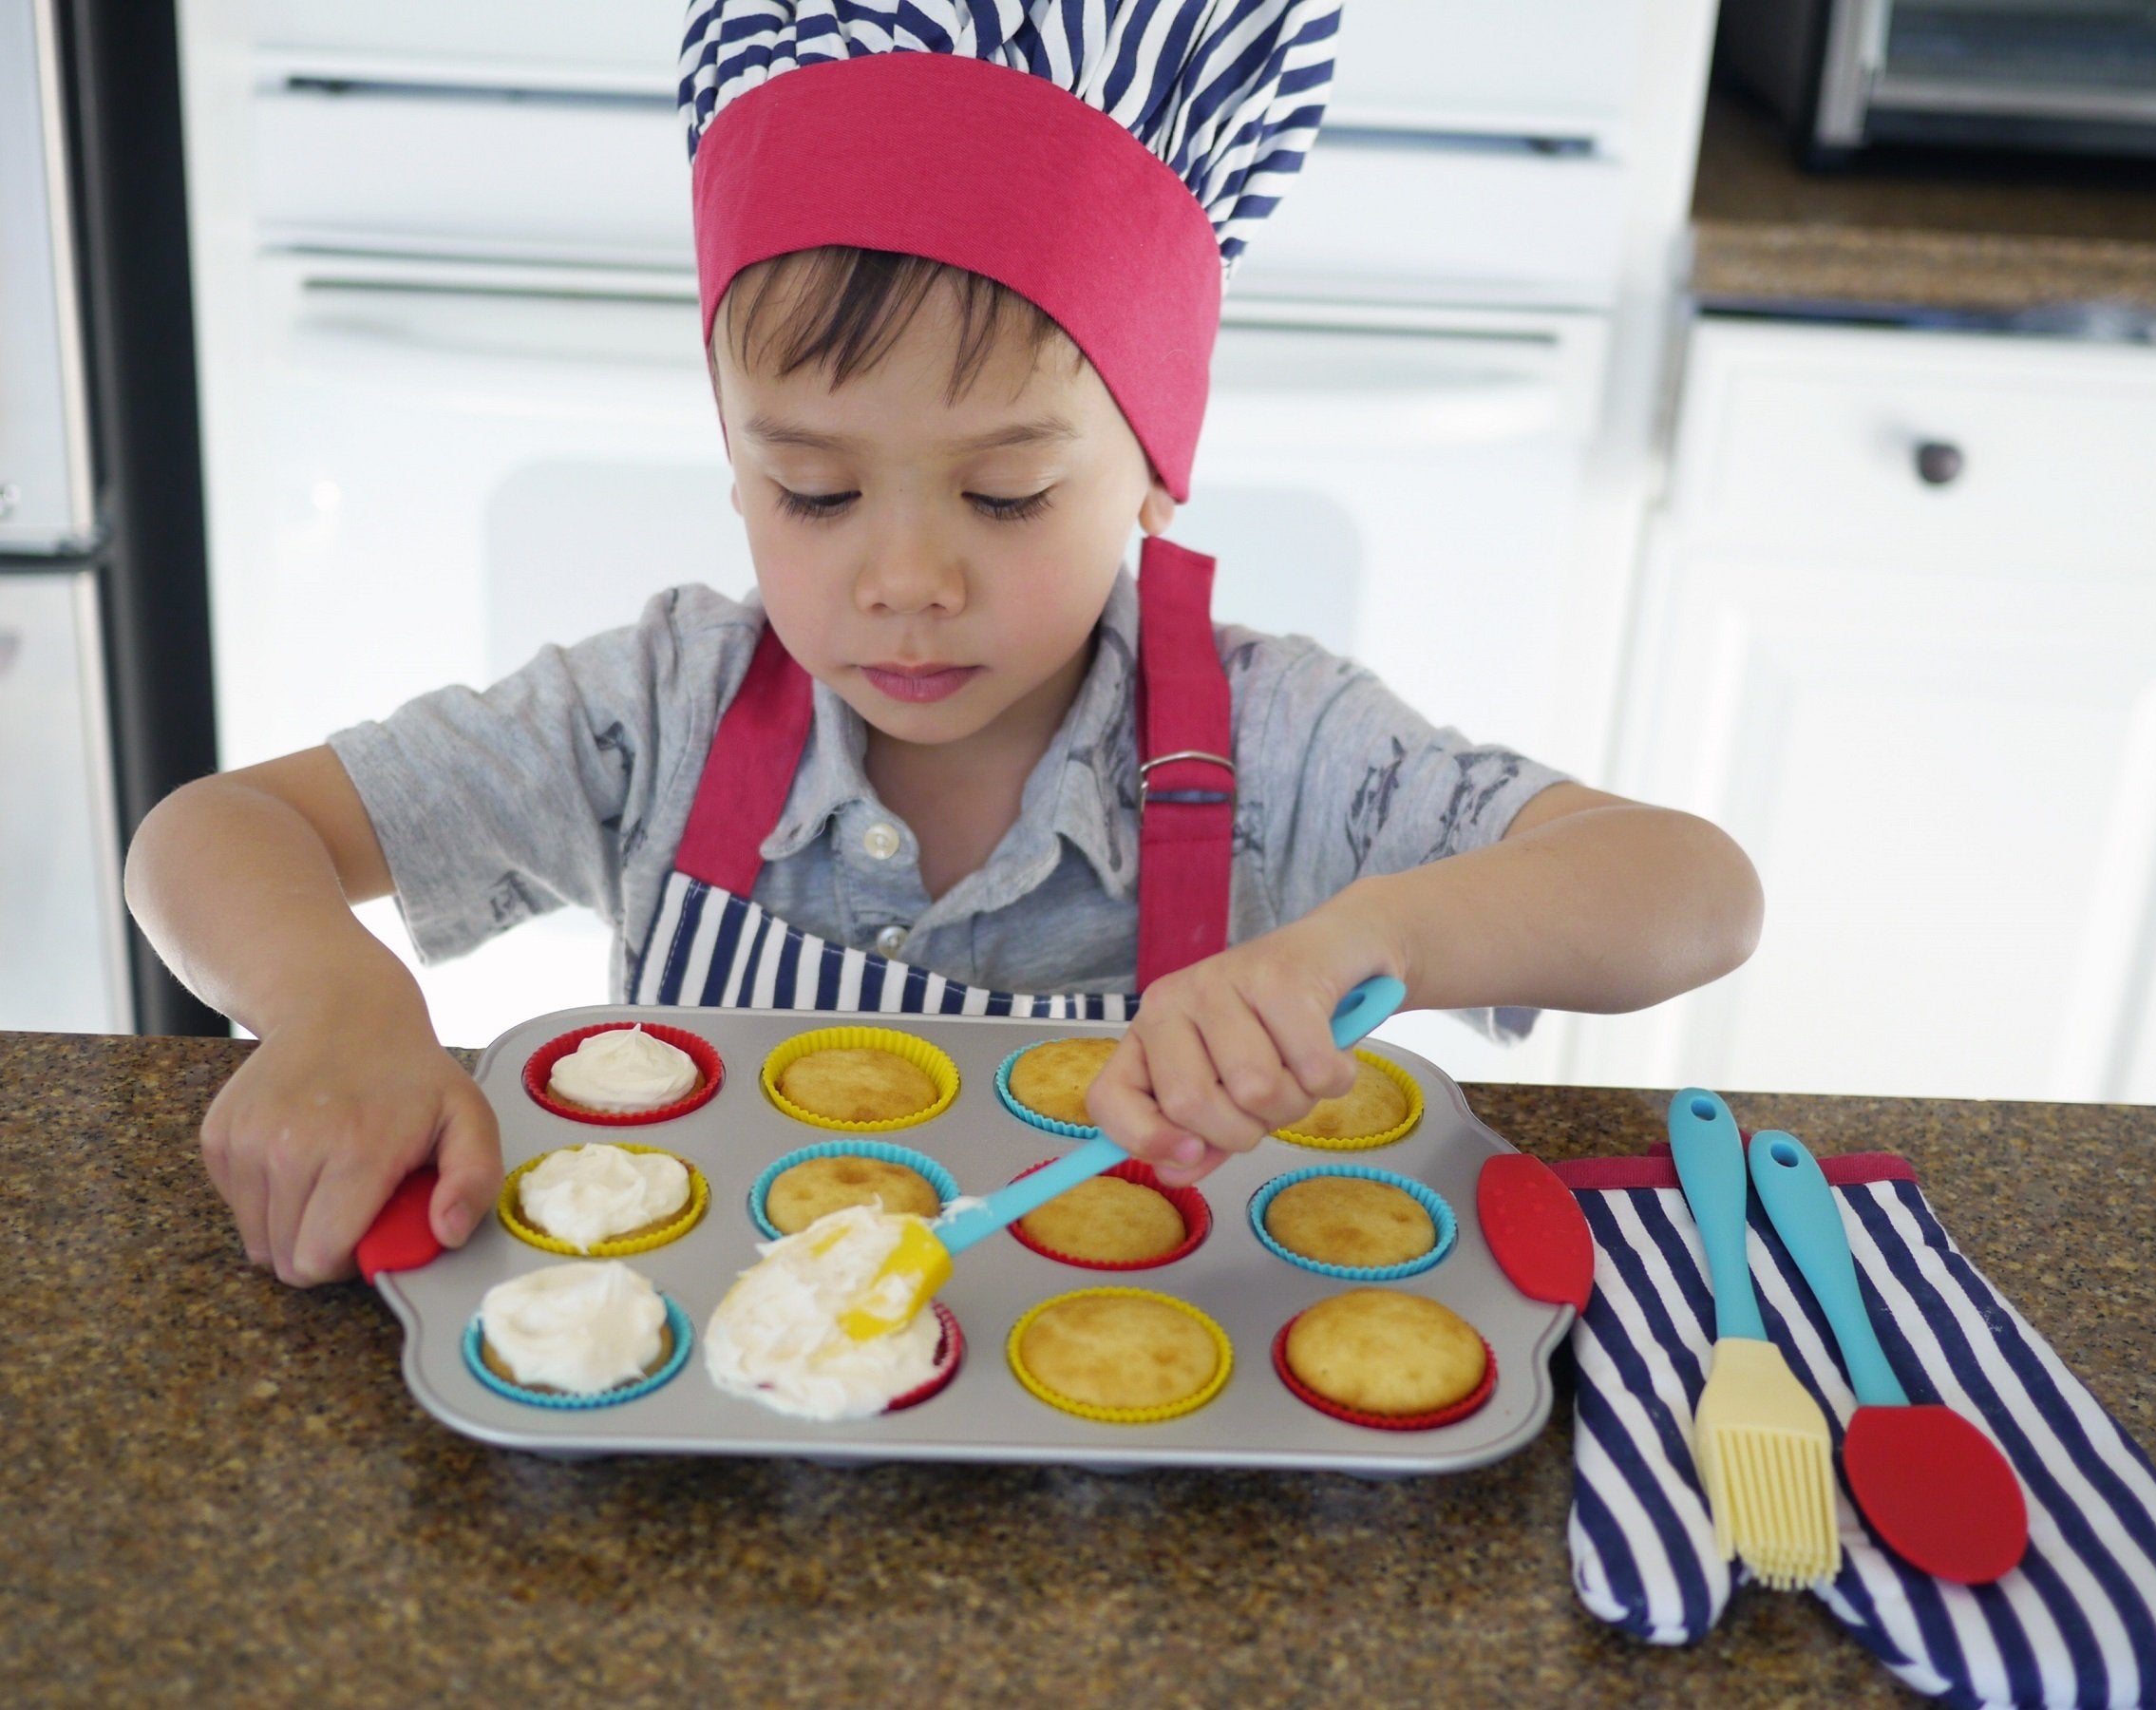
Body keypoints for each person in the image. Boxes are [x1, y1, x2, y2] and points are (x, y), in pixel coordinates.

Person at [125, 1, 1762, 1288]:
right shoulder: (655, 713)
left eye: (1004, 492)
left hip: (1141, 1409)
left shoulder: (1275, 747)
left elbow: (1689, 892)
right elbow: (214, 834)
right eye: (814, 490)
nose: (903, 579)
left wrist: (1379, 935)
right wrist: (344, 1008)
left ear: (1153, 471)